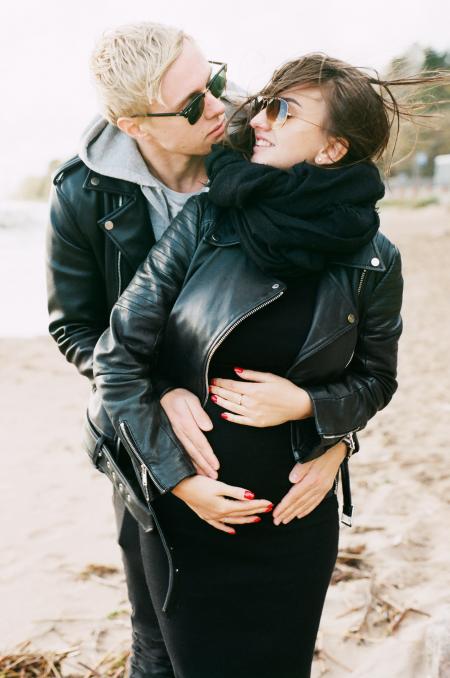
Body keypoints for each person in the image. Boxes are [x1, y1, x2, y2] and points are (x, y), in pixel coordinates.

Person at [88, 52, 429, 677]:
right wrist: (181, 480)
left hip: (298, 521)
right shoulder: (209, 217)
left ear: (331, 151)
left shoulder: (376, 258)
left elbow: (378, 380)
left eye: (285, 111)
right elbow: (116, 357)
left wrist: (309, 406)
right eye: (267, 103)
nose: (261, 120)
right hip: (190, 516)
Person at [46, 21, 251, 678]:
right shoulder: (81, 195)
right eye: (193, 103)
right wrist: (161, 391)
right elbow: (74, 329)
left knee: (259, 621)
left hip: (259, 417)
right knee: (159, 631)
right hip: (140, 426)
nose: (220, 105)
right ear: (135, 124)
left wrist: (326, 423)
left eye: (213, 79)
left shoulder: (259, 149)